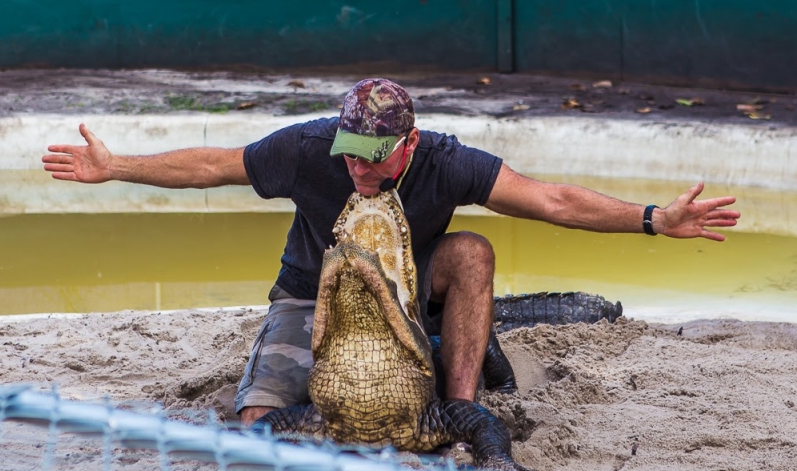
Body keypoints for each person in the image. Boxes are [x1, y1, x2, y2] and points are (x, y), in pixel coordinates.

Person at [42, 78, 740, 427]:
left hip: (410, 293)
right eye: (352, 154)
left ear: (410, 143)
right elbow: (213, 164)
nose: (359, 169)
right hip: (313, 293)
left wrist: (654, 219)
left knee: (472, 251)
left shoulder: (447, 161)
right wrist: (116, 167)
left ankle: (460, 408)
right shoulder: (309, 148)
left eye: (375, 156)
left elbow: (550, 200)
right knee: (257, 421)